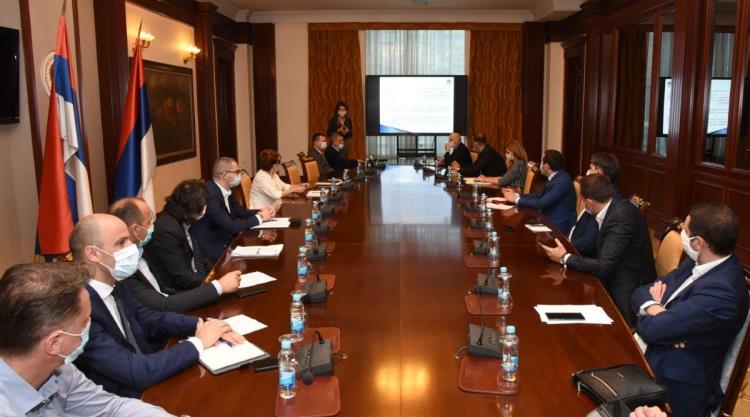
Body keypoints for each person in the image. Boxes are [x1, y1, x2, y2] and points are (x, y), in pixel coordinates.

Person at [69, 213, 244, 398]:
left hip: (150, 379)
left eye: (128, 239)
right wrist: (199, 342)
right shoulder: (77, 308)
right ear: (93, 254)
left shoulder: (116, 282)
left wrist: (200, 325)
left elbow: (148, 317)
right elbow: (134, 371)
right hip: (121, 398)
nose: (131, 246)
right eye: (121, 242)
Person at [0, 262, 175, 416]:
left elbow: (112, 408)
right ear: (55, 343)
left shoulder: (62, 371)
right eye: (85, 321)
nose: (89, 326)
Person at [631, 203, 747, 417]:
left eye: (685, 230)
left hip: (673, 384)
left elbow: (653, 331)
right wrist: (658, 310)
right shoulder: (698, 261)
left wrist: (657, 319)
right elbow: (640, 292)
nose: (681, 233)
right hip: (652, 351)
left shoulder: (723, 292)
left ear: (698, 242)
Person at [541, 174, 656, 326]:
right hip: (616, 272)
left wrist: (564, 257)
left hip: (626, 289)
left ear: (588, 202)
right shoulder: (614, 206)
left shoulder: (619, 218)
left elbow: (604, 266)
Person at [110, 197, 242, 313]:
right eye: (149, 222)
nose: (153, 226)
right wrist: (218, 287)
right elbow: (162, 305)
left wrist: (212, 290)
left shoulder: (142, 249)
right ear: (136, 229)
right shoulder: (123, 267)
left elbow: (166, 291)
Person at [194, 157, 275, 263]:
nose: (239, 175)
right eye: (236, 172)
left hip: (228, 241)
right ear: (225, 175)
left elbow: (241, 212)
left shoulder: (226, 189)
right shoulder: (210, 195)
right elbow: (232, 226)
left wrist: (262, 211)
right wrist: (261, 217)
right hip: (214, 250)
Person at [144, 180, 212, 291]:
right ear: (192, 208)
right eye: (203, 205)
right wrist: (214, 284)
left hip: (196, 279)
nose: (205, 209)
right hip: (180, 290)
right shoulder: (167, 231)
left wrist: (214, 273)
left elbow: (198, 255)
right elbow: (180, 276)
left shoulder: (186, 218)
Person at [503, 149, 577, 235]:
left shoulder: (562, 182)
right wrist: (517, 195)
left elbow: (541, 203)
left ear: (546, 167)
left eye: (541, 162)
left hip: (557, 226)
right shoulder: (556, 176)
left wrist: (517, 200)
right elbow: (539, 195)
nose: (539, 165)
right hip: (547, 218)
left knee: (521, 232)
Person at [569, 152, 622, 258]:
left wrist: (567, 246)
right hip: (575, 243)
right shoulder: (598, 190)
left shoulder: (605, 199)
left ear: (598, 172)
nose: (588, 171)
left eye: (590, 168)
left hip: (584, 256)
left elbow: (588, 243)